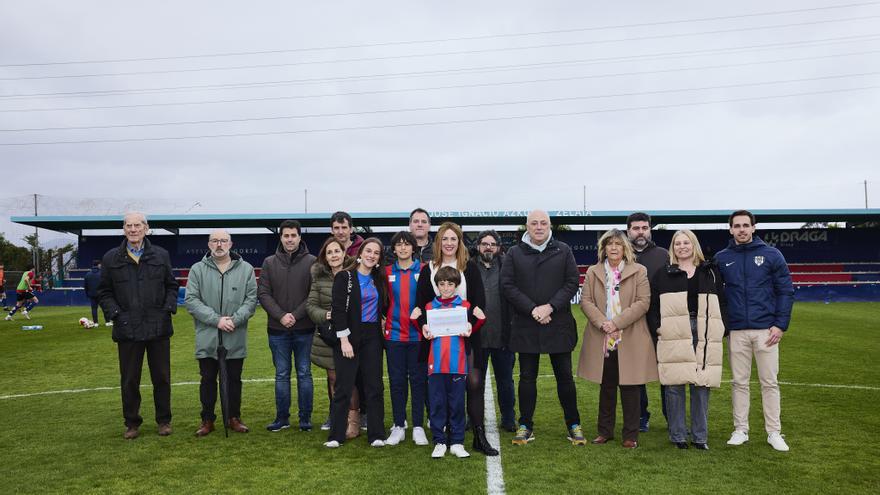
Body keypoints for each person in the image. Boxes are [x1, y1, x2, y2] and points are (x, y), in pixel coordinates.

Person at [501, 210, 585, 446]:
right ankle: (525, 425)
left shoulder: (563, 250)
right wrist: (533, 309)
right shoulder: (515, 253)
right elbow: (507, 285)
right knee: (527, 378)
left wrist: (550, 307)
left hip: (558, 323)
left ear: (550, 226)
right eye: (534, 223)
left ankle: (573, 424)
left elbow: (571, 282)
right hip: (527, 324)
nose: (539, 227)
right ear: (526, 226)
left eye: (543, 223)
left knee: (565, 378)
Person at [415, 222, 498, 456]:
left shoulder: (468, 268)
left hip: (465, 338)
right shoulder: (428, 269)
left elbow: (479, 301)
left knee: (473, 382)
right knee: (440, 387)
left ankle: (478, 435)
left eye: (454, 239)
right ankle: (443, 435)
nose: (449, 243)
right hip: (437, 341)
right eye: (445, 239)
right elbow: (420, 306)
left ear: (459, 242)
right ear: (438, 242)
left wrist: (471, 323)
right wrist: (423, 327)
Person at [716, 210, 795, 452]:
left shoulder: (771, 255)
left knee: (769, 382)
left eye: (745, 225)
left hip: (766, 331)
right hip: (737, 332)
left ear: (753, 227)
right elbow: (717, 296)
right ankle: (741, 430)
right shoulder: (721, 258)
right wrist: (725, 325)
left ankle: (774, 432)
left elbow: (785, 291)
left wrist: (780, 325)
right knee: (739, 382)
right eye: (737, 226)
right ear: (730, 229)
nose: (741, 229)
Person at [97, 212, 178, 439]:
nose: (133, 229)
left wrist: (167, 309)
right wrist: (115, 314)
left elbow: (171, 286)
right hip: (127, 328)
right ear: (124, 229)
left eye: (137, 225)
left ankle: (164, 421)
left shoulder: (161, 255)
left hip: (158, 327)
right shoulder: (111, 258)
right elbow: (104, 292)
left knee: (161, 378)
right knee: (130, 379)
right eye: (129, 225)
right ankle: (132, 423)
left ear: (146, 228)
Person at [646, 230, 727, 450]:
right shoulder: (663, 273)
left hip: (703, 331)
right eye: (678, 243)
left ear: (694, 245)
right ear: (673, 247)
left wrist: (723, 328)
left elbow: (723, 300)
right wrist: (657, 328)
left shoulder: (709, 272)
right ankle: (678, 436)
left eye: (686, 242)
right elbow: (652, 306)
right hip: (673, 331)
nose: (682, 246)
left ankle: (700, 437)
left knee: (702, 384)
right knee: (674, 385)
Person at [578, 229, 658, 449]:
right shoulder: (594, 271)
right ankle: (605, 431)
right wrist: (605, 324)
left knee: (631, 387)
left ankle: (630, 435)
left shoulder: (639, 270)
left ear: (625, 248)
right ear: (603, 248)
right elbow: (586, 301)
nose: (613, 248)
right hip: (601, 336)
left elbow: (643, 302)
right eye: (609, 244)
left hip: (630, 336)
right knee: (607, 386)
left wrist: (617, 323)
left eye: (618, 244)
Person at [184, 230, 258, 437]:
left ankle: (233, 417)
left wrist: (234, 320)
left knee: (234, 379)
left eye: (223, 241)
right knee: (207, 379)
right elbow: (191, 300)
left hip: (235, 334)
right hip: (207, 335)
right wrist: (216, 320)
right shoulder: (197, 269)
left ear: (230, 244)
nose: (219, 244)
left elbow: (251, 300)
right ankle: (207, 419)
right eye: (215, 241)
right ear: (209, 245)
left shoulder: (246, 269)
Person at [324, 238, 389, 448]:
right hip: (349, 335)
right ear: (360, 253)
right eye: (368, 251)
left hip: (372, 337)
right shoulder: (345, 277)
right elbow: (338, 310)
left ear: (379, 258)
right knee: (343, 386)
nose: (371, 255)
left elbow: (384, 308)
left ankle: (377, 434)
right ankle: (336, 435)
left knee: (374, 386)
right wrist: (344, 340)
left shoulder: (379, 279)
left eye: (376, 253)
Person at [418, 266, 486, 458]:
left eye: (450, 284)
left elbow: (477, 323)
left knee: (457, 403)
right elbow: (421, 327)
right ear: (437, 286)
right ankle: (439, 441)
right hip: (436, 363)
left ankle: (457, 442)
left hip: (457, 363)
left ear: (456, 286)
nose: (446, 288)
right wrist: (421, 325)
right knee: (437, 403)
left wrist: (474, 325)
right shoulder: (429, 307)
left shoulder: (465, 306)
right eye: (442, 284)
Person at [258, 219, 317, 432]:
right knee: (281, 374)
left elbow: (314, 293)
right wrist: (282, 316)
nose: (290, 239)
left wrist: (296, 315)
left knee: (304, 373)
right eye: (286, 236)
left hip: (305, 329)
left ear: (300, 237)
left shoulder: (312, 262)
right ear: (281, 238)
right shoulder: (269, 262)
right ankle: (282, 418)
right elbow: (263, 293)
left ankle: (305, 419)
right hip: (277, 330)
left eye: (293, 235)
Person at [383, 231, 429, 446]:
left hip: (418, 336)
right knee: (397, 381)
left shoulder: (424, 270)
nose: (403, 248)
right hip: (393, 336)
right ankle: (399, 425)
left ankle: (418, 426)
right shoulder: (386, 273)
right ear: (394, 249)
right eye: (398, 245)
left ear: (413, 247)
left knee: (419, 381)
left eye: (406, 244)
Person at [306, 237, 355, 432]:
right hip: (328, 336)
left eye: (337, 251)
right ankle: (336, 416)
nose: (334, 255)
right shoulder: (319, 279)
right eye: (329, 252)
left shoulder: (354, 275)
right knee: (333, 378)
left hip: (352, 335)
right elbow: (310, 306)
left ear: (344, 253)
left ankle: (354, 419)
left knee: (351, 379)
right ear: (325, 257)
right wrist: (326, 314)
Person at [626, 212, 669, 432]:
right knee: (635, 373)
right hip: (632, 324)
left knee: (667, 372)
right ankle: (641, 415)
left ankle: (672, 417)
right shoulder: (621, 255)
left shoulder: (663, 255)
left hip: (662, 323)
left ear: (650, 229)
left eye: (644, 227)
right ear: (628, 231)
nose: (640, 232)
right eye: (636, 228)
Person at [473, 230, 516, 433]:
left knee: (505, 381)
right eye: (484, 243)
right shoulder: (469, 267)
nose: (488, 247)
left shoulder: (508, 267)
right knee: (474, 382)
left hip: (503, 336)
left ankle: (509, 418)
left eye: (492, 243)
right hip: (477, 337)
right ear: (478, 246)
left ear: (499, 247)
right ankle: (473, 419)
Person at [83, 260, 105, 328]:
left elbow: (85, 286)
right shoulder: (102, 273)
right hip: (101, 294)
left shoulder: (87, 274)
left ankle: (95, 323)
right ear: (98, 265)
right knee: (105, 308)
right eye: (100, 264)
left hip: (92, 295)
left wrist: (87, 294)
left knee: (94, 309)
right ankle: (108, 322)